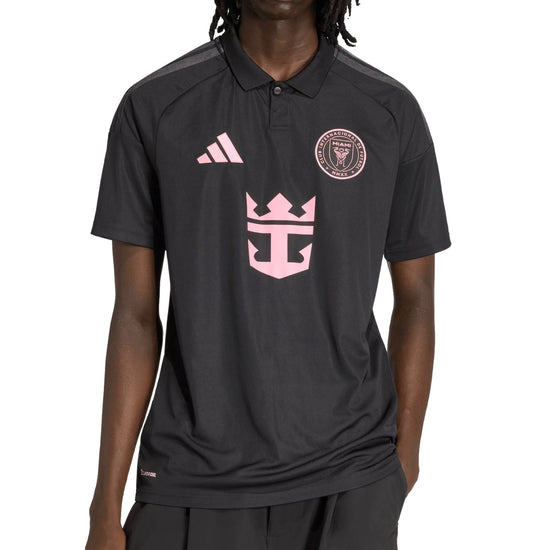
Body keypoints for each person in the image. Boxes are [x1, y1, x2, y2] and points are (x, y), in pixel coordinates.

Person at [85, 0, 451, 548]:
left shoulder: (388, 111)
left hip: (351, 475)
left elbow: (416, 298)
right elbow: (135, 316)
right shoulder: (156, 106)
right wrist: (104, 506)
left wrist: (405, 461)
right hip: (194, 475)